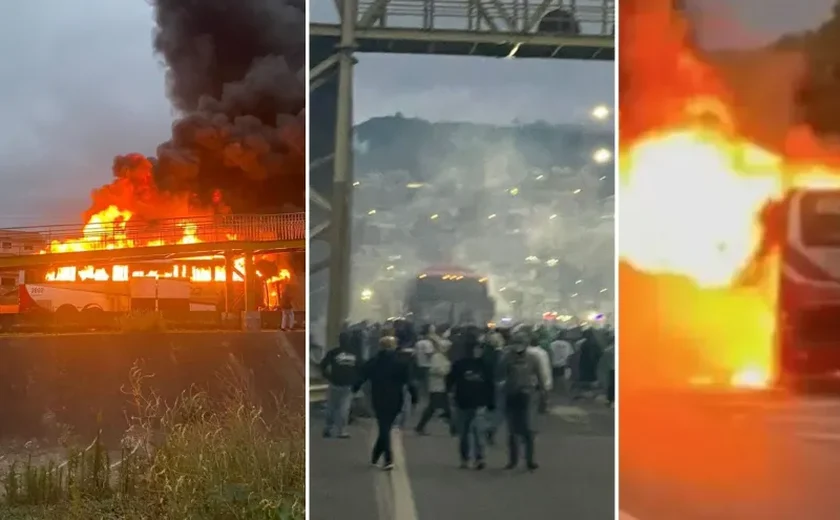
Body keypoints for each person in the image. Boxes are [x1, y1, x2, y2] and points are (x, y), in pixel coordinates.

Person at [353, 336, 417, 470]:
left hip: (378, 397)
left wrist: (355, 389)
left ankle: (377, 456)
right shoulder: (401, 362)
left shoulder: (374, 362)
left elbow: (362, 376)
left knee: (384, 426)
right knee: (386, 426)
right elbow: (410, 382)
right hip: (396, 398)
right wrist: (414, 397)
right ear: (394, 346)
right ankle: (388, 459)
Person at [446, 333, 495, 469]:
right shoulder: (460, 365)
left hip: (480, 404)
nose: (478, 351)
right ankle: (465, 458)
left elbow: (491, 385)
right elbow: (450, 381)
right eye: (476, 348)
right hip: (462, 403)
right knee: (464, 433)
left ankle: (480, 458)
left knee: (478, 432)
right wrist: (450, 397)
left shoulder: (486, 365)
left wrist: (491, 402)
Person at [500, 331, 547, 471]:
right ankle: (512, 460)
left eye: (520, 343)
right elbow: (499, 375)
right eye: (516, 343)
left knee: (528, 429)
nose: (518, 346)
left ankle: (530, 460)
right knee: (512, 430)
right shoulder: (506, 358)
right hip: (511, 395)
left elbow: (540, 376)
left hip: (527, 395)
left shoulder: (533, 358)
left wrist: (543, 393)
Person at [320, 331, 362, 438]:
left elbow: (323, 366)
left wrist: (328, 377)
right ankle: (341, 431)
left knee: (331, 407)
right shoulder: (355, 354)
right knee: (344, 408)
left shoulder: (333, 352)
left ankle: (328, 428)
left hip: (334, 383)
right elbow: (361, 369)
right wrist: (356, 383)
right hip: (348, 385)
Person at [415, 336, 453, 435]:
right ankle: (420, 427)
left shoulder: (443, 357)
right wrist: (445, 371)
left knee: (443, 408)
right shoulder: (437, 357)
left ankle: (454, 429)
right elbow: (435, 370)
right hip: (437, 386)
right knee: (433, 408)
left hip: (441, 386)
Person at [526, 334, 552, 414]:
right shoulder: (542, 352)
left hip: (530, 378)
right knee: (543, 393)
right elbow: (546, 366)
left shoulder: (526, 351)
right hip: (543, 376)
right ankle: (543, 407)